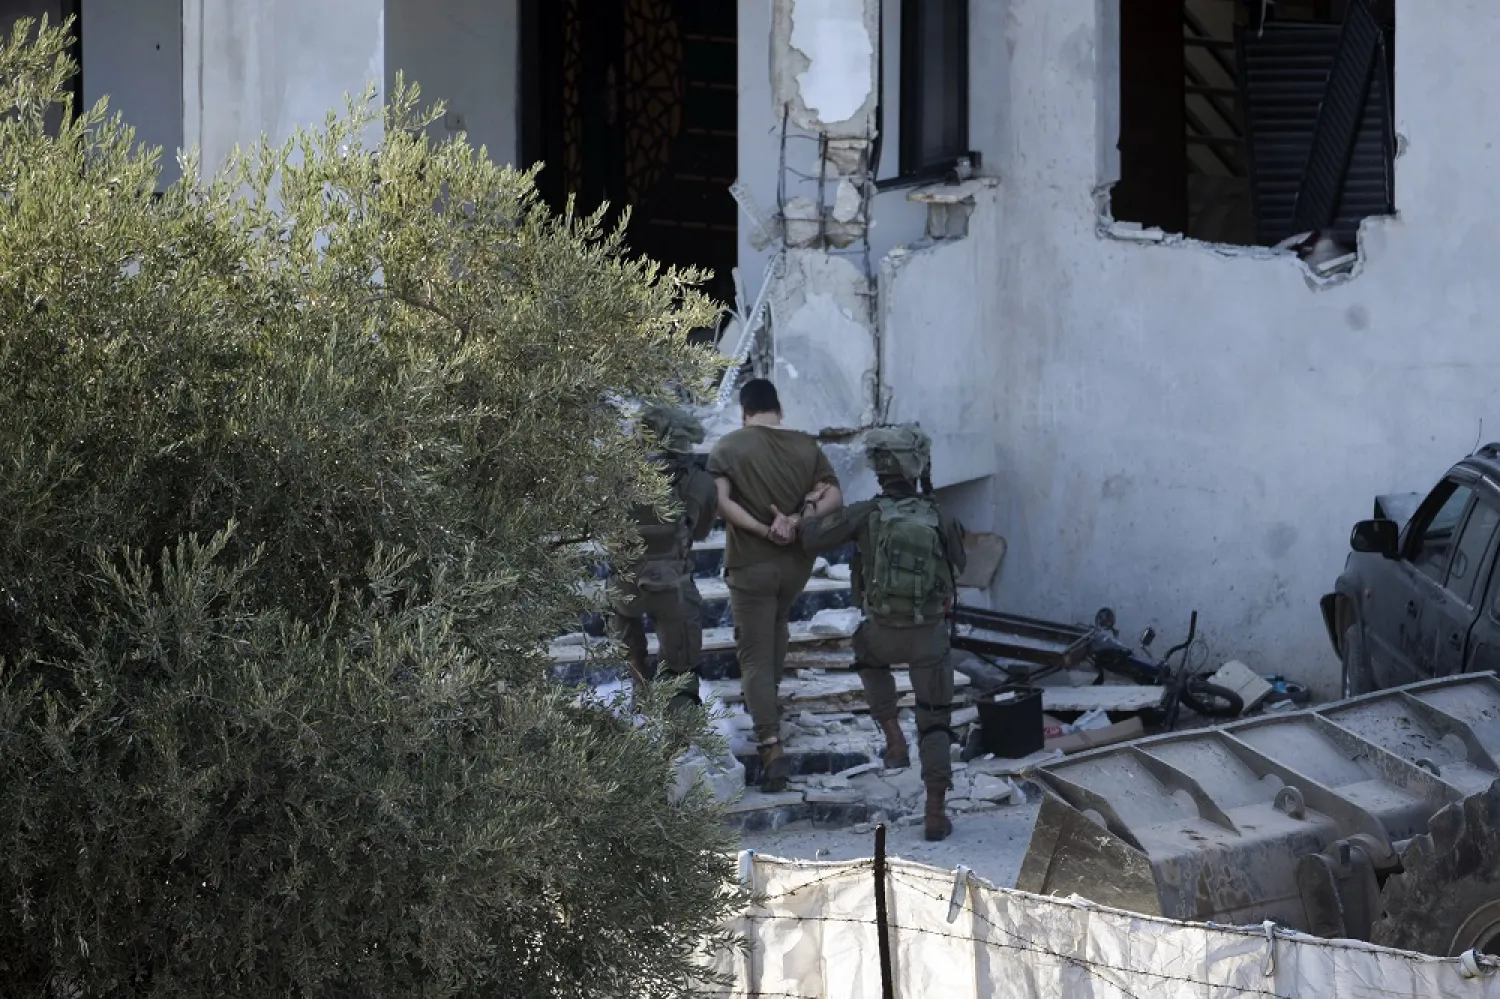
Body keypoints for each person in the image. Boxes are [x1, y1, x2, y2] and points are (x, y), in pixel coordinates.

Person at [798, 425, 967, 841]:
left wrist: (809, 507)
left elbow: (811, 539)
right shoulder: (940, 516)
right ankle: (934, 811)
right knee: (936, 720)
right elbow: (959, 565)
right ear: (918, 466)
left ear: (879, 470)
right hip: (928, 637)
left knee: (867, 656)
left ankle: (892, 734)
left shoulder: (865, 514)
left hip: (882, 632)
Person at [707, 379, 842, 792]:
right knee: (778, 627)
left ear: (744, 411)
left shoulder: (728, 448)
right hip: (795, 566)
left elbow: (722, 504)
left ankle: (770, 746)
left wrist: (767, 530)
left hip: (752, 566)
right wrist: (797, 521)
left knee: (752, 656)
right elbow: (833, 495)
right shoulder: (806, 446)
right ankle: (770, 700)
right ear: (778, 409)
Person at [606, 403, 718, 713]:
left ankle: (639, 697)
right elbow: (701, 532)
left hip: (625, 587)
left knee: (627, 639)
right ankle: (679, 736)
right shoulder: (699, 483)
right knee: (680, 671)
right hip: (673, 587)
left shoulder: (617, 477)